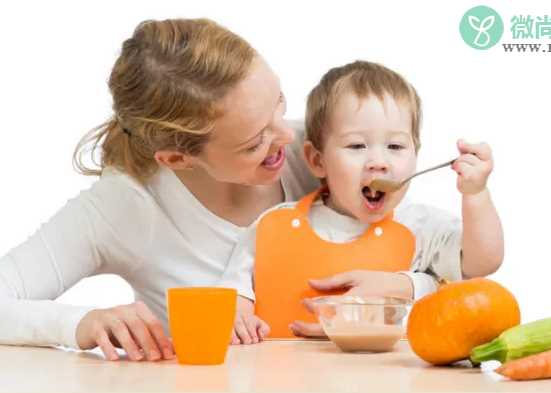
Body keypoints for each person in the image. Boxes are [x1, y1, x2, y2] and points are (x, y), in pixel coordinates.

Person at [0, 18, 321, 362]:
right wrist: (83, 323)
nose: (287, 137)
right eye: (255, 143)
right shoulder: (127, 205)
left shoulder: (323, 154)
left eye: (279, 104)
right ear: (177, 159)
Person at [219, 60, 504, 344]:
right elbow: (234, 294)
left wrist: (475, 194)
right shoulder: (272, 226)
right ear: (317, 161)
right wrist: (238, 312)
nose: (378, 162)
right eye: (356, 146)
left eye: (395, 146)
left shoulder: (421, 225)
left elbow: (482, 263)